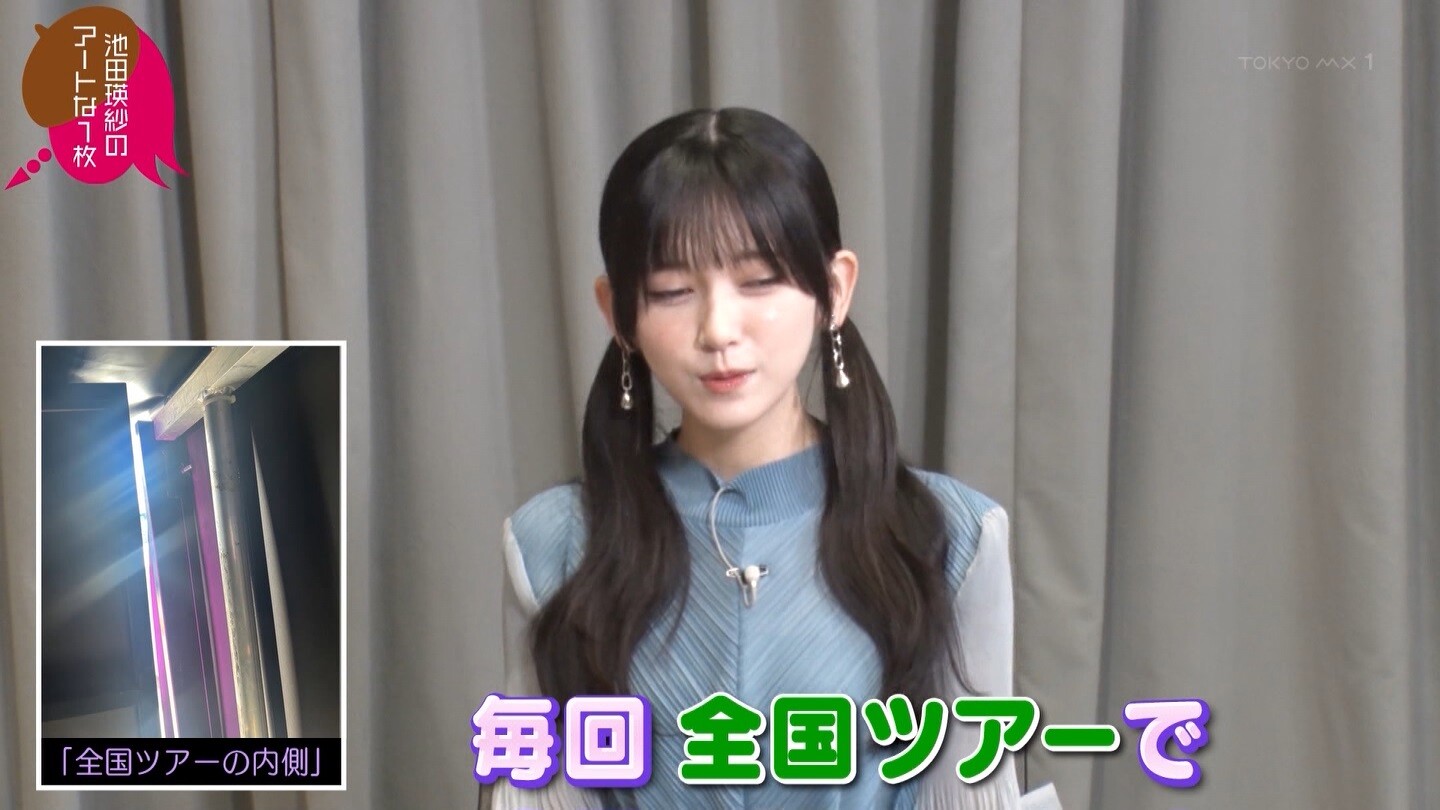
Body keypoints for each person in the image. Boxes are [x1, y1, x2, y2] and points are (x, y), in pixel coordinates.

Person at [481, 108, 1058, 809]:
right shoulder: (554, 544)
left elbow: (971, 791)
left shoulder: (949, 536)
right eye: (671, 292)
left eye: (759, 281)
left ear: (834, 290)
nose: (718, 330)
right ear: (617, 312)